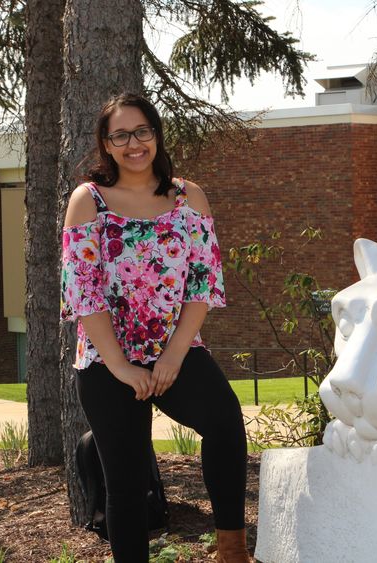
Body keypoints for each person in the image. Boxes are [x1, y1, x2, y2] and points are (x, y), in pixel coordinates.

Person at [60, 93, 251, 563]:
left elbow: (204, 284)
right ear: (106, 144)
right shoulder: (90, 201)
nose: (133, 144)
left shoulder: (190, 197)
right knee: (125, 483)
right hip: (107, 361)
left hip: (176, 351)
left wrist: (172, 356)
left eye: (142, 131)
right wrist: (123, 367)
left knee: (226, 425)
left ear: (156, 134)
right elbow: (83, 294)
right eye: (120, 135)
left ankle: (232, 550)